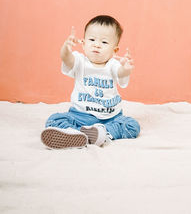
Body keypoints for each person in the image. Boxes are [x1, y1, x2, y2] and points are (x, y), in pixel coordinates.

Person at [41, 15, 140, 149]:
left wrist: (126, 69)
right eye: (92, 39)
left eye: (104, 42)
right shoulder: (79, 61)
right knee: (54, 120)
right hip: (79, 116)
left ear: (114, 50)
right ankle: (74, 135)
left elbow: (120, 73)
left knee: (132, 125)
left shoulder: (113, 64)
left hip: (110, 118)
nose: (97, 45)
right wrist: (66, 48)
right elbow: (66, 59)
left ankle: (102, 133)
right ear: (83, 43)